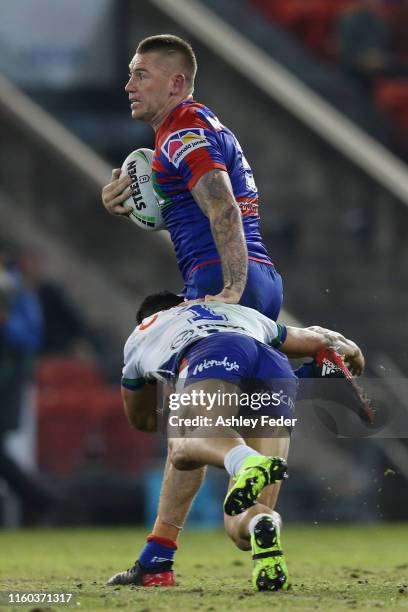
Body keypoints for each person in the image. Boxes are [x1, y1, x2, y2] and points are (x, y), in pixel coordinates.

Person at [101, 33, 290, 584]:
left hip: (223, 284)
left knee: (188, 437)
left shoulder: (182, 131)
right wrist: (116, 200)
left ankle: (158, 559)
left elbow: (221, 205)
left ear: (176, 81)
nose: (128, 83)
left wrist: (229, 289)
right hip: (263, 285)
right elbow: (176, 202)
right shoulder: (197, 127)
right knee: (241, 484)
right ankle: (256, 526)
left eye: (141, 74)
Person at [107, 291, 365, 590]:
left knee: (182, 442)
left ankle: (246, 462)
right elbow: (320, 342)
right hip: (275, 368)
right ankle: (261, 525)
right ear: (182, 301)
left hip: (211, 352)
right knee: (240, 523)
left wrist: (175, 397)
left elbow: (142, 420)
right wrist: (353, 355)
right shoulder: (239, 313)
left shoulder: (143, 332)